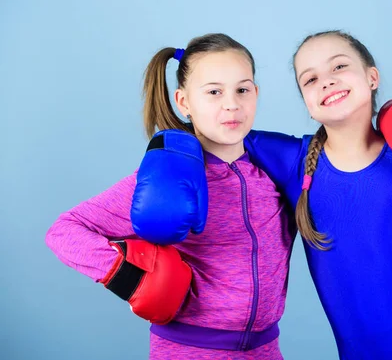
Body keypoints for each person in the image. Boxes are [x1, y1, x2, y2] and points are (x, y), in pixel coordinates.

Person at [134, 30, 392, 360]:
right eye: (309, 79)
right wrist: (170, 150)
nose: (325, 80)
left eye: (340, 67)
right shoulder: (292, 160)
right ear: (308, 104)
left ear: (372, 77)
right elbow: (218, 128)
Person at [46, 33, 295, 360]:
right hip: (188, 350)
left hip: (265, 349)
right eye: (214, 92)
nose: (231, 103)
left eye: (242, 89)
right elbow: (63, 231)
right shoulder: (169, 179)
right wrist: (129, 276)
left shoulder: (271, 173)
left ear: (256, 94)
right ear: (183, 102)